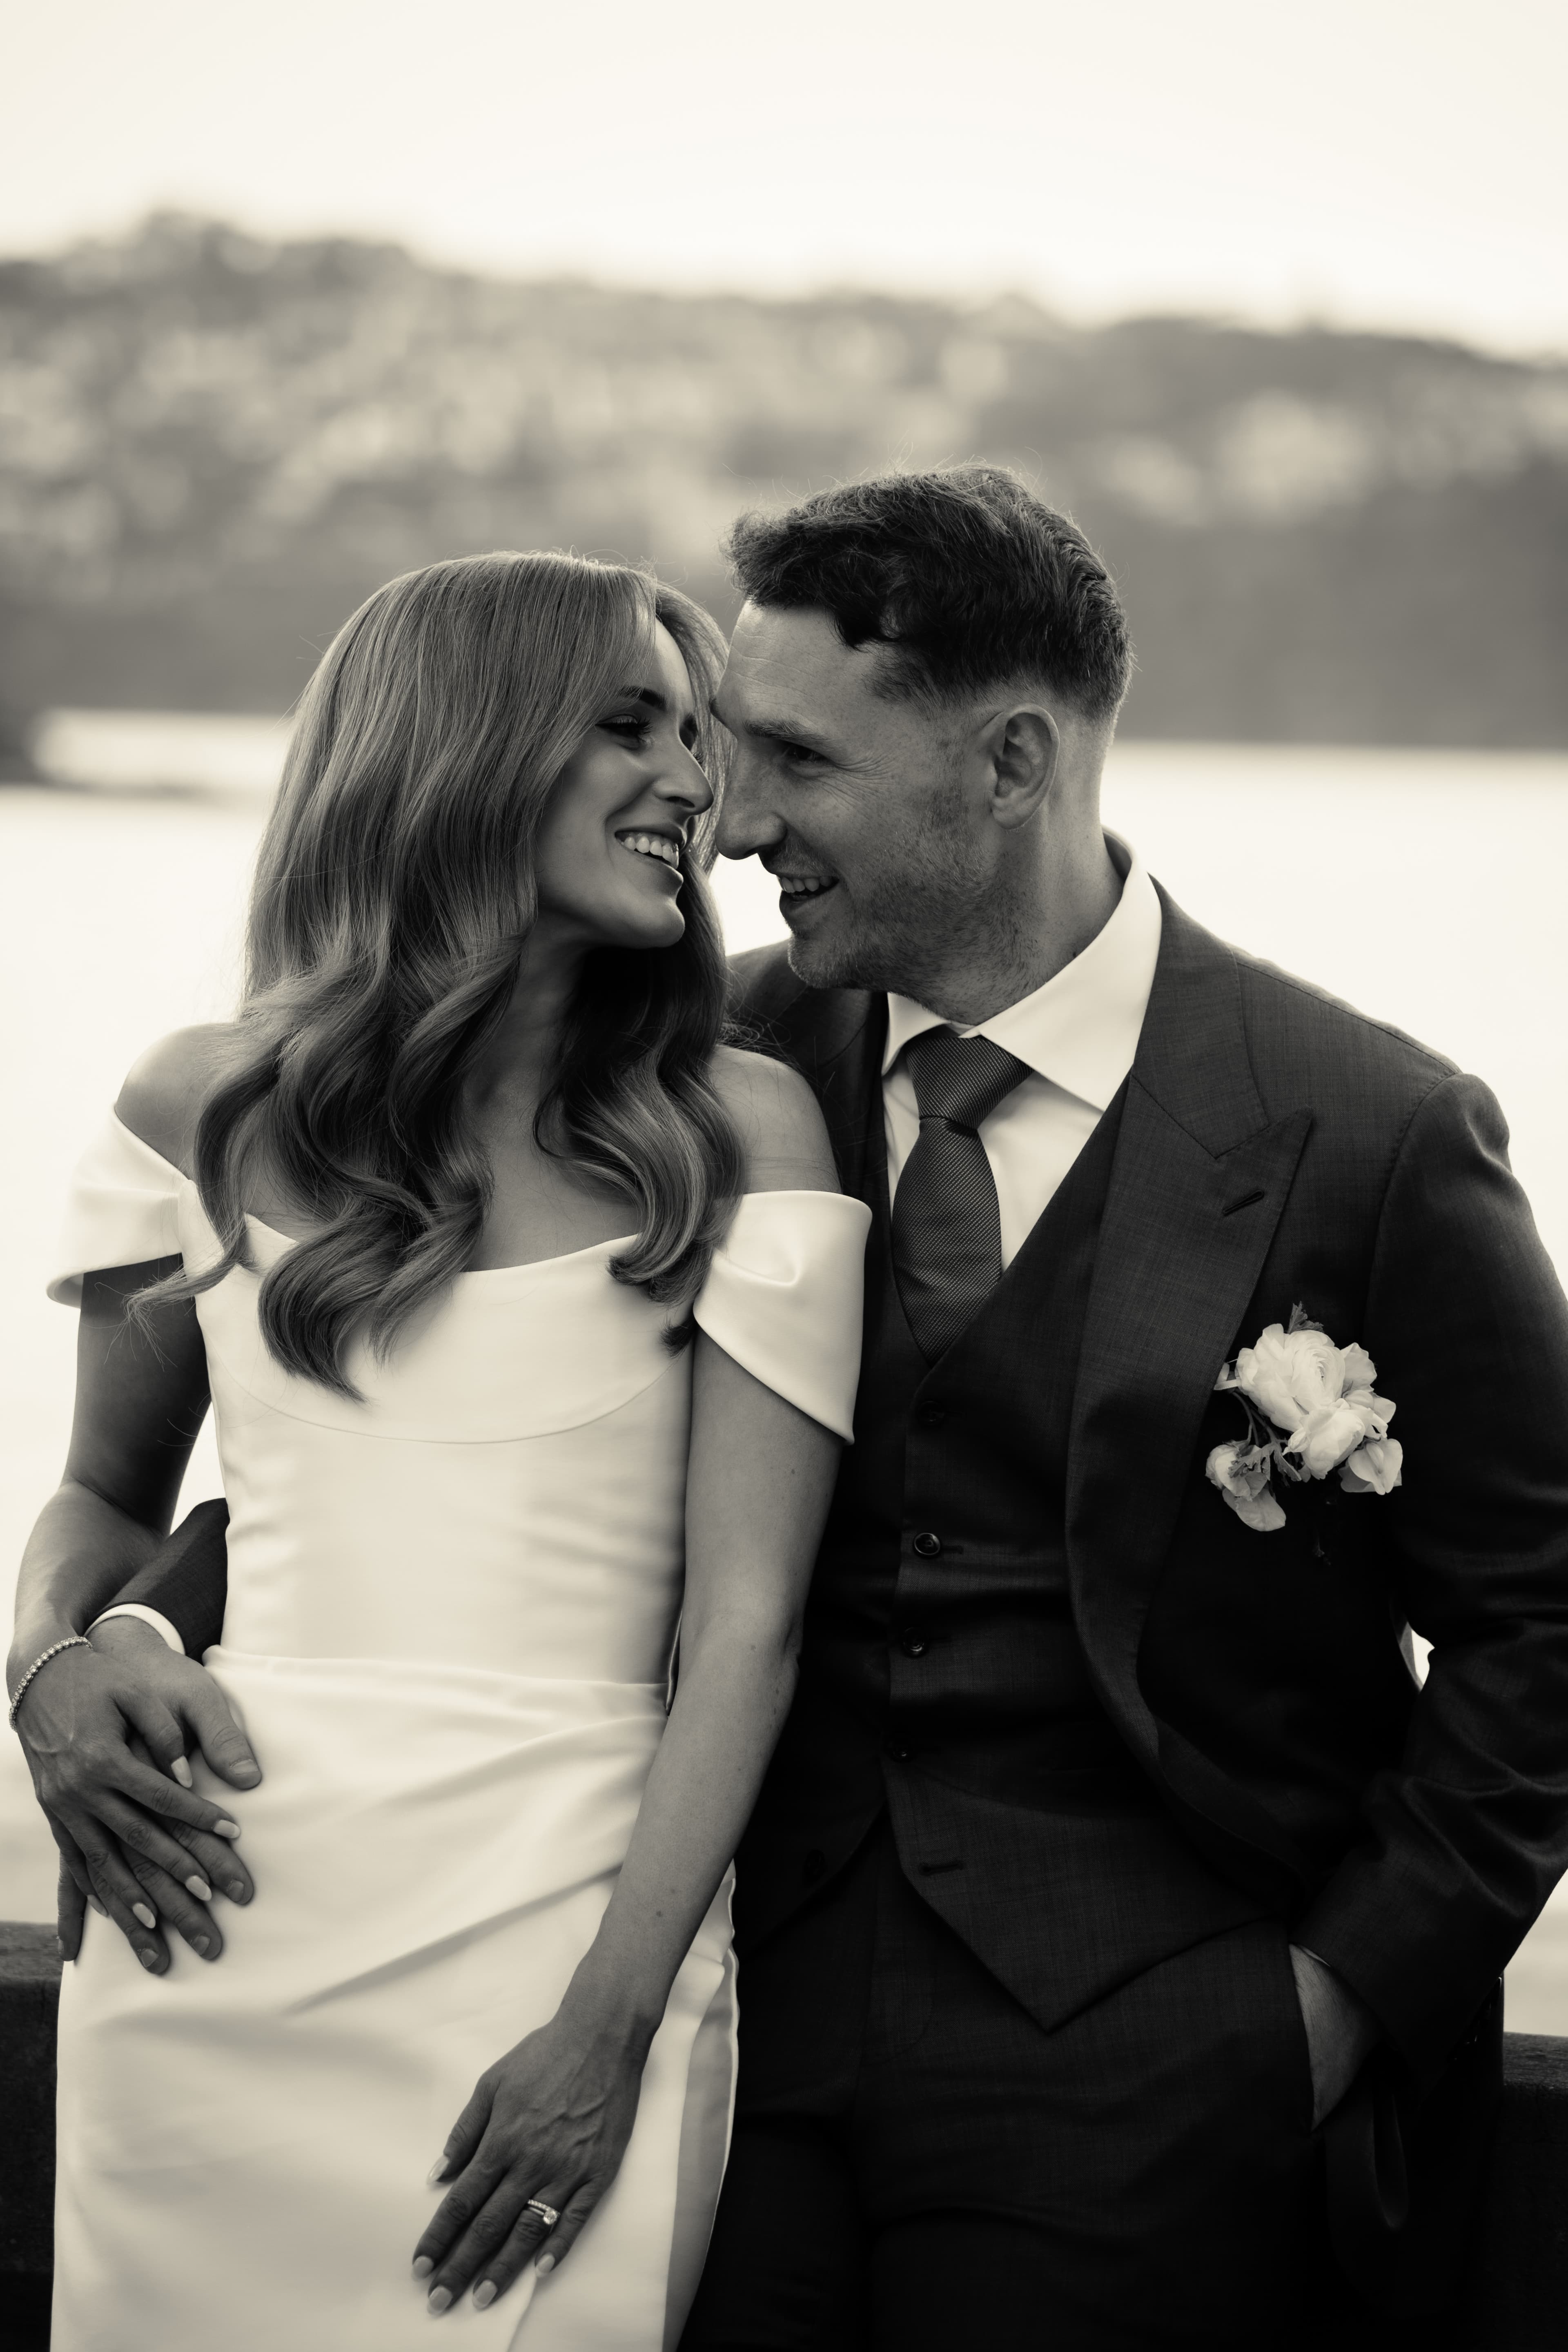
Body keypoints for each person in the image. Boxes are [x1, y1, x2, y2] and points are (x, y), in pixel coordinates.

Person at [20, 467, 1568, 2346]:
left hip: (1141, 2069)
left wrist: (1329, 2009)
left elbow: (1541, 1622)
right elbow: (375, 1456)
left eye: (790, 761)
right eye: (707, 744)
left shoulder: (1369, 1130)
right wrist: (86, 1647)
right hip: (742, 2020)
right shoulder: (710, 1062)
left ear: (1011, 763)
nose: (731, 815)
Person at [7, 549, 870, 2350]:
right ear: (462, 746)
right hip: (215, 1927)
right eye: (632, 726)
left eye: (697, 737)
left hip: (578, 1945)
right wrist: (44, 1670)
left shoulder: (742, 1131)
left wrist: (609, 2029)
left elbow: (747, 1635)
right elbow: (102, 1496)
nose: (695, 786)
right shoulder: (196, 1106)